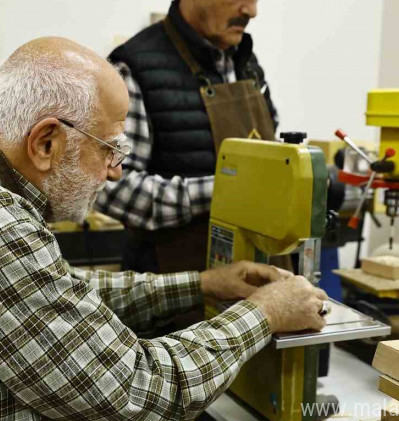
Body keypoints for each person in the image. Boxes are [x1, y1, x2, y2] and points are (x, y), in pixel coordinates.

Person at [0, 37, 326, 421]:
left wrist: (203, 284)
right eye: (110, 150)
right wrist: (264, 313)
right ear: (47, 142)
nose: (115, 175)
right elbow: (141, 392)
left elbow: (61, 301)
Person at [97, 0, 279, 273]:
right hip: (175, 288)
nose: (251, 11)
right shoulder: (136, 66)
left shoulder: (246, 62)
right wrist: (225, 190)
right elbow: (111, 189)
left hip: (253, 276)